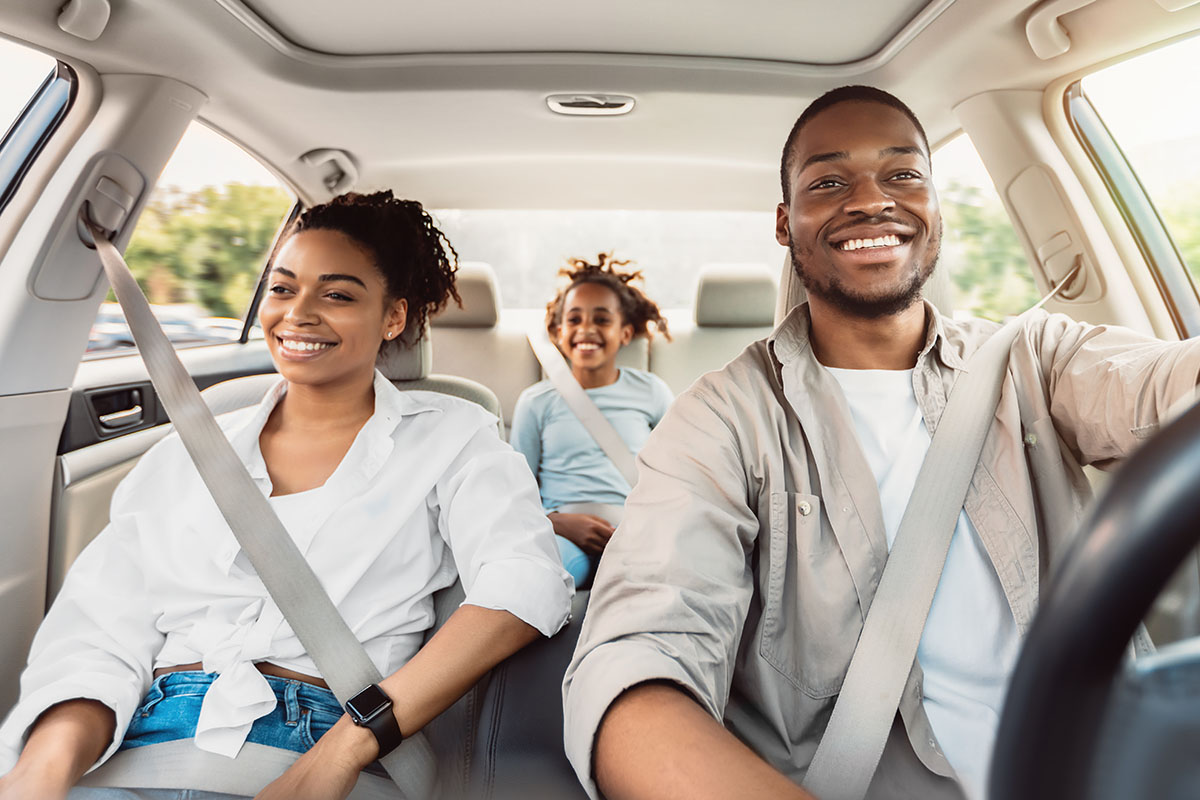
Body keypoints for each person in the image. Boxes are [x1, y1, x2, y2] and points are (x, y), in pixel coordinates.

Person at [562, 86, 1200, 800]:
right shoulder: (721, 419)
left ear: (934, 205)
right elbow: (637, 668)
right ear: (784, 222)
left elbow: (1161, 385)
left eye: (903, 175)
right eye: (829, 181)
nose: (872, 200)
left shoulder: (1036, 359)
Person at [0, 191, 573, 800]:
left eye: (338, 294)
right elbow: (99, 633)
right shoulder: (188, 450)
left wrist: (342, 750)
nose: (298, 313)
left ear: (393, 318)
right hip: (140, 743)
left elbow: (525, 583)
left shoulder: (455, 437)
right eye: (282, 288)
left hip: (335, 735)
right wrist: (42, 772)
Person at [509, 253, 674, 587]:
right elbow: (515, 494)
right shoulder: (537, 401)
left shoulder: (652, 393)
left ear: (625, 333)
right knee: (541, 578)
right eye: (574, 320)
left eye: (601, 320)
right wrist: (556, 523)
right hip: (562, 532)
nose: (586, 329)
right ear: (557, 332)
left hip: (636, 531)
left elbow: (678, 477)